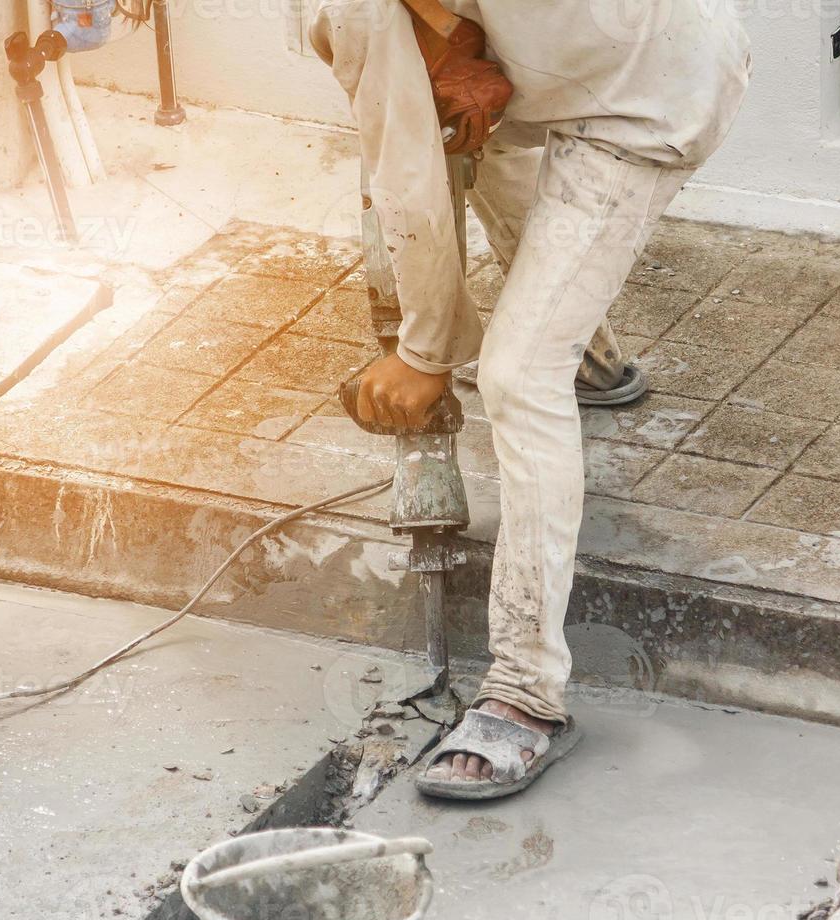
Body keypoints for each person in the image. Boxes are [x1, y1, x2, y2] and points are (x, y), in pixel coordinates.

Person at [311, 0, 751, 799]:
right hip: (588, 55)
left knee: (516, 376)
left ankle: (525, 692)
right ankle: (592, 360)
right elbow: (418, 140)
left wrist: (422, 352)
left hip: (644, 99)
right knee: (476, 137)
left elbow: (406, 170)